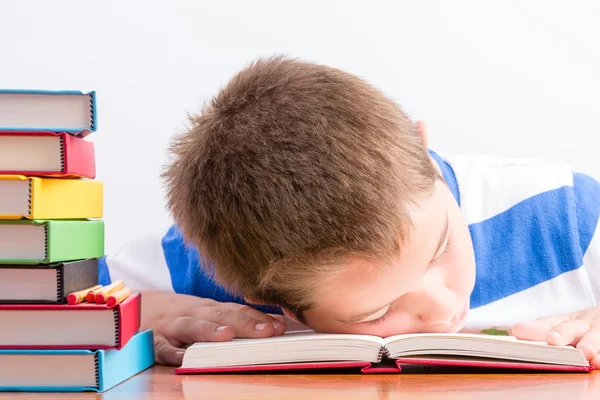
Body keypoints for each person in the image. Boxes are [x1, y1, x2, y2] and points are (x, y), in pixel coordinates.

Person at [99, 56, 600, 367]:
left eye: (441, 247)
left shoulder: (562, 214)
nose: (443, 309)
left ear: (421, 153)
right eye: (377, 312)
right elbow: (40, 300)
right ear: (273, 299)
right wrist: (135, 315)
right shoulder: (211, 269)